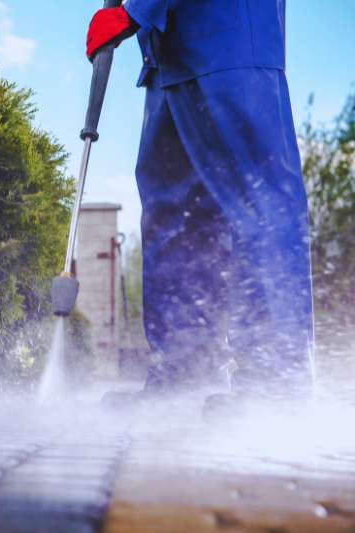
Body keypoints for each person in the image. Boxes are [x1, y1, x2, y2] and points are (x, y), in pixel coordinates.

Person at [86, 0, 315, 419]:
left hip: (229, 43)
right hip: (167, 57)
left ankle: (276, 382)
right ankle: (184, 371)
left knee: (260, 202)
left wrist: (133, 11)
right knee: (175, 217)